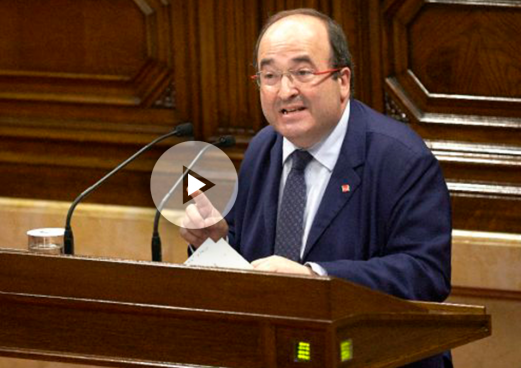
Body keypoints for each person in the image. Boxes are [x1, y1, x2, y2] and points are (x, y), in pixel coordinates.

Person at [180, 8, 452, 368]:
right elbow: (256, 266)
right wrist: (218, 240)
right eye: (270, 75)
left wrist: (315, 277)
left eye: (303, 72)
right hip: (286, 354)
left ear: (343, 81)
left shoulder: (399, 158)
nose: (285, 90)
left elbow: (426, 273)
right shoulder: (265, 148)